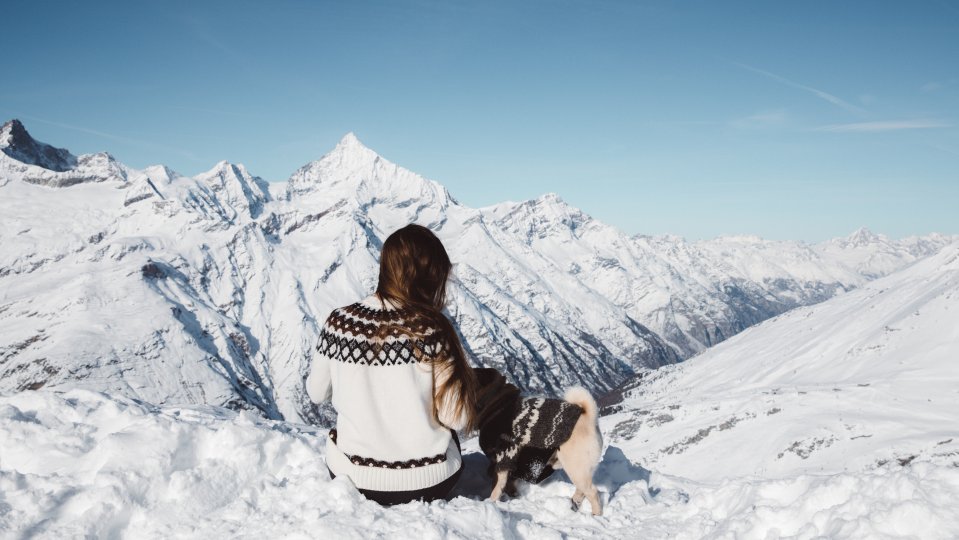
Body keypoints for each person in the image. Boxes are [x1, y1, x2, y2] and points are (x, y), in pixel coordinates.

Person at [306, 223, 479, 505]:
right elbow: (455, 418)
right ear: (430, 277)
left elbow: (316, 393)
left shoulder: (340, 323)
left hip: (353, 479)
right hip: (430, 482)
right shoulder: (432, 330)